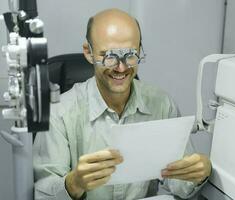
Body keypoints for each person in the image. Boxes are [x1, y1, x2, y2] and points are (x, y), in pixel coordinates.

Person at [33, 8, 211, 200]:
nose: (122, 67)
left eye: (131, 54)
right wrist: (74, 183)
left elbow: (179, 183)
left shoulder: (161, 104)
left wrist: (198, 174)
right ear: (89, 52)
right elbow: (44, 194)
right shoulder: (59, 113)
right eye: (109, 56)